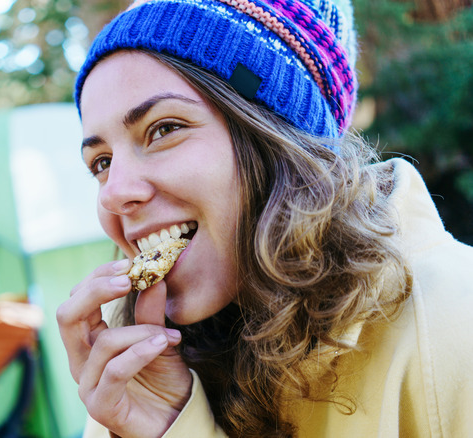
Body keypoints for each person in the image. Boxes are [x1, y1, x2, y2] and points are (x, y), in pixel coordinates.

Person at [55, 0, 473, 437]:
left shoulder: (453, 324)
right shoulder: (138, 377)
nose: (116, 193)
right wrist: (172, 424)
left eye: (165, 129)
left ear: (278, 139)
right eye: (101, 162)